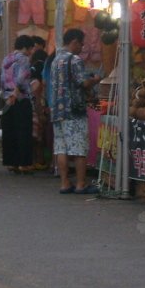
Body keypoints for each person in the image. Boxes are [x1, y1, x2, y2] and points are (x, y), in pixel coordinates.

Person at [51, 28, 101, 194]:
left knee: (61, 148)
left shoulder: (55, 60)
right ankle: (81, 183)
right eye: (81, 43)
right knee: (79, 148)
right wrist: (94, 80)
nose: (82, 47)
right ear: (73, 42)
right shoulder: (75, 60)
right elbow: (83, 83)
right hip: (74, 110)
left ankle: (64, 183)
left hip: (57, 111)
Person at [0, 35, 35, 173]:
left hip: (7, 98)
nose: (31, 52)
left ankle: (11, 163)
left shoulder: (6, 58)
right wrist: (16, 92)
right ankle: (23, 164)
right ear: (26, 47)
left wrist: (7, 94)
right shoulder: (24, 59)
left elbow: (2, 79)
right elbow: (22, 78)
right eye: (31, 48)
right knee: (23, 131)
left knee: (10, 132)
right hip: (20, 97)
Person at [29, 37, 50, 171]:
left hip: (32, 111)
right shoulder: (38, 84)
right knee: (38, 139)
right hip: (36, 112)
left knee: (36, 138)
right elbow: (37, 99)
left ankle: (36, 161)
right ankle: (38, 160)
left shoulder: (31, 81)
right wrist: (40, 112)